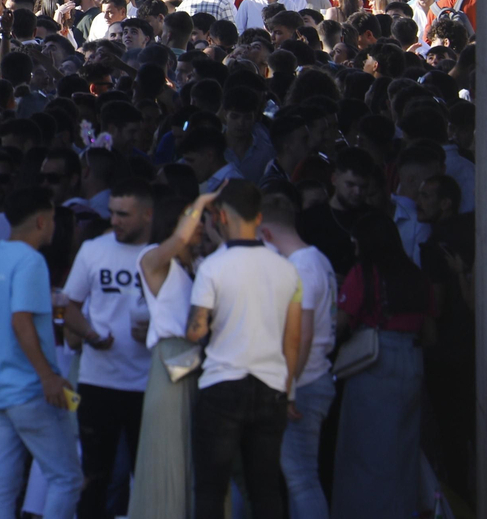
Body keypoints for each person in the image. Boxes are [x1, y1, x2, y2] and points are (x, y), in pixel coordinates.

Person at [184, 179, 302, 519]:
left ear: (220, 216)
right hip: (271, 387)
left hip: (222, 385)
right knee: (265, 489)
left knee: (210, 488)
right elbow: (291, 338)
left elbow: (195, 332)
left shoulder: (212, 268)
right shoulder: (287, 268)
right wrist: (289, 389)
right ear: (259, 217)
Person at [0, 187, 81, 519]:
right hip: (29, 389)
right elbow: (21, 321)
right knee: (66, 478)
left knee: (3, 482)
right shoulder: (31, 261)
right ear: (40, 221)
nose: (53, 227)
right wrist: (47, 376)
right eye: (51, 220)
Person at [60, 179, 154, 519]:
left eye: (124, 215)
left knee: (147, 477)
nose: (115, 221)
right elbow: (67, 306)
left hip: (146, 384)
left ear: (147, 215)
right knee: (95, 476)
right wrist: (91, 334)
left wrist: (155, 331)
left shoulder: (157, 256)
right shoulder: (94, 250)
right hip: (98, 381)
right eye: (112, 213)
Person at [330, 213, 433, 519]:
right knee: (403, 453)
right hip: (412, 362)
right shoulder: (416, 275)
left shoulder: (362, 274)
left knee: (364, 454)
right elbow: (431, 334)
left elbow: (340, 326)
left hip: (373, 363)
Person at [126, 191, 217, 519]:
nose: (199, 227)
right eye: (192, 220)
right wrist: (200, 202)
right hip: (171, 364)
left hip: (199, 364)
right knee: (168, 452)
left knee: (194, 456)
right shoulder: (151, 258)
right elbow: (179, 238)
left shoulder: (199, 265)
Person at [259, 194, 338, 519]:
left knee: (301, 479)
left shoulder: (301, 268)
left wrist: (287, 387)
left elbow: (301, 334)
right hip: (312, 380)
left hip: (302, 385)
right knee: (300, 479)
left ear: (266, 234)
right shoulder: (317, 260)